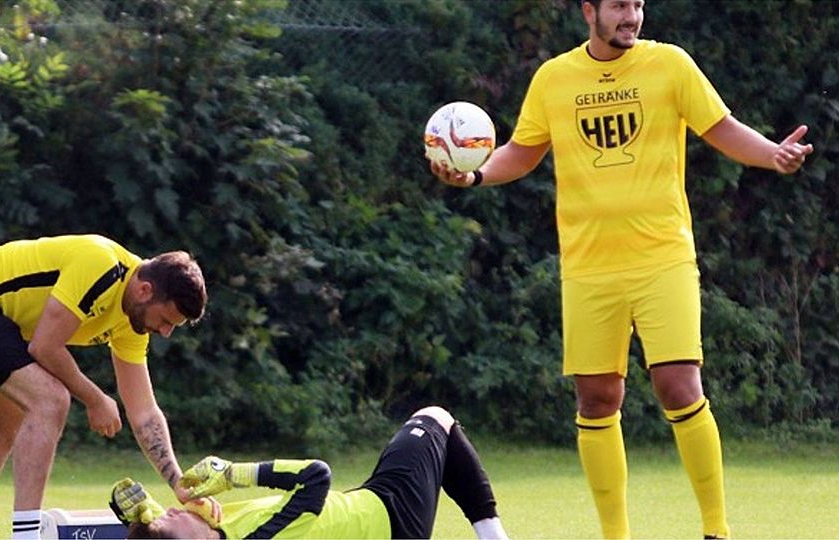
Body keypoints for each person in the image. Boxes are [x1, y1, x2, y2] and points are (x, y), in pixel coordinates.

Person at [429, 1, 814, 538]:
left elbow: (720, 127)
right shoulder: (555, 78)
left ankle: (717, 530)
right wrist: (473, 177)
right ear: (590, 10)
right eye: (619, 6)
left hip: (663, 258)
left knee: (679, 385)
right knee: (597, 399)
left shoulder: (671, 64)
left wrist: (772, 154)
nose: (631, 15)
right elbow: (521, 151)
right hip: (588, 267)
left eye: (637, 4)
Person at [0, 234, 208, 540]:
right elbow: (45, 347)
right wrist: (95, 399)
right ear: (145, 290)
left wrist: (178, 483)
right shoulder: (102, 264)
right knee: (50, 400)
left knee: (9, 420)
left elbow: (143, 412)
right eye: (167, 320)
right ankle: (26, 536)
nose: (166, 333)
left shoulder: (132, 322)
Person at [109, 406, 509, 539]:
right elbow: (316, 476)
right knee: (435, 417)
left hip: (367, 510)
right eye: (173, 520)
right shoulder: (259, 536)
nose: (173, 511)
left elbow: (151, 520)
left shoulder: (219, 529)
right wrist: (233, 474)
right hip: (393, 516)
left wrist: (139, 516)